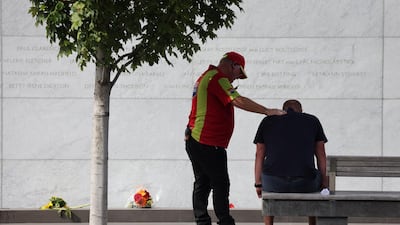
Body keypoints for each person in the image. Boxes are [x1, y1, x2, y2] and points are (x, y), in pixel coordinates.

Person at [185, 51, 286, 225]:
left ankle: (202, 220)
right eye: (238, 74)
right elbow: (237, 100)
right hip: (208, 141)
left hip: (197, 138)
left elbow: (198, 108)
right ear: (233, 65)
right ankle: (225, 221)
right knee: (220, 183)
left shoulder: (205, 77)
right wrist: (267, 111)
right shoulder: (217, 78)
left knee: (203, 182)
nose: (236, 79)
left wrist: (189, 130)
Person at [253, 99, 328, 225]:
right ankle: (312, 223)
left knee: (270, 177)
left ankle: (268, 223)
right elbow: (321, 154)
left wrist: (258, 184)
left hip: (273, 183)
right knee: (313, 175)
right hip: (305, 184)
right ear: (301, 111)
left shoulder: (268, 121)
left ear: (283, 110)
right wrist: (324, 182)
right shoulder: (312, 120)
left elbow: (259, 153)